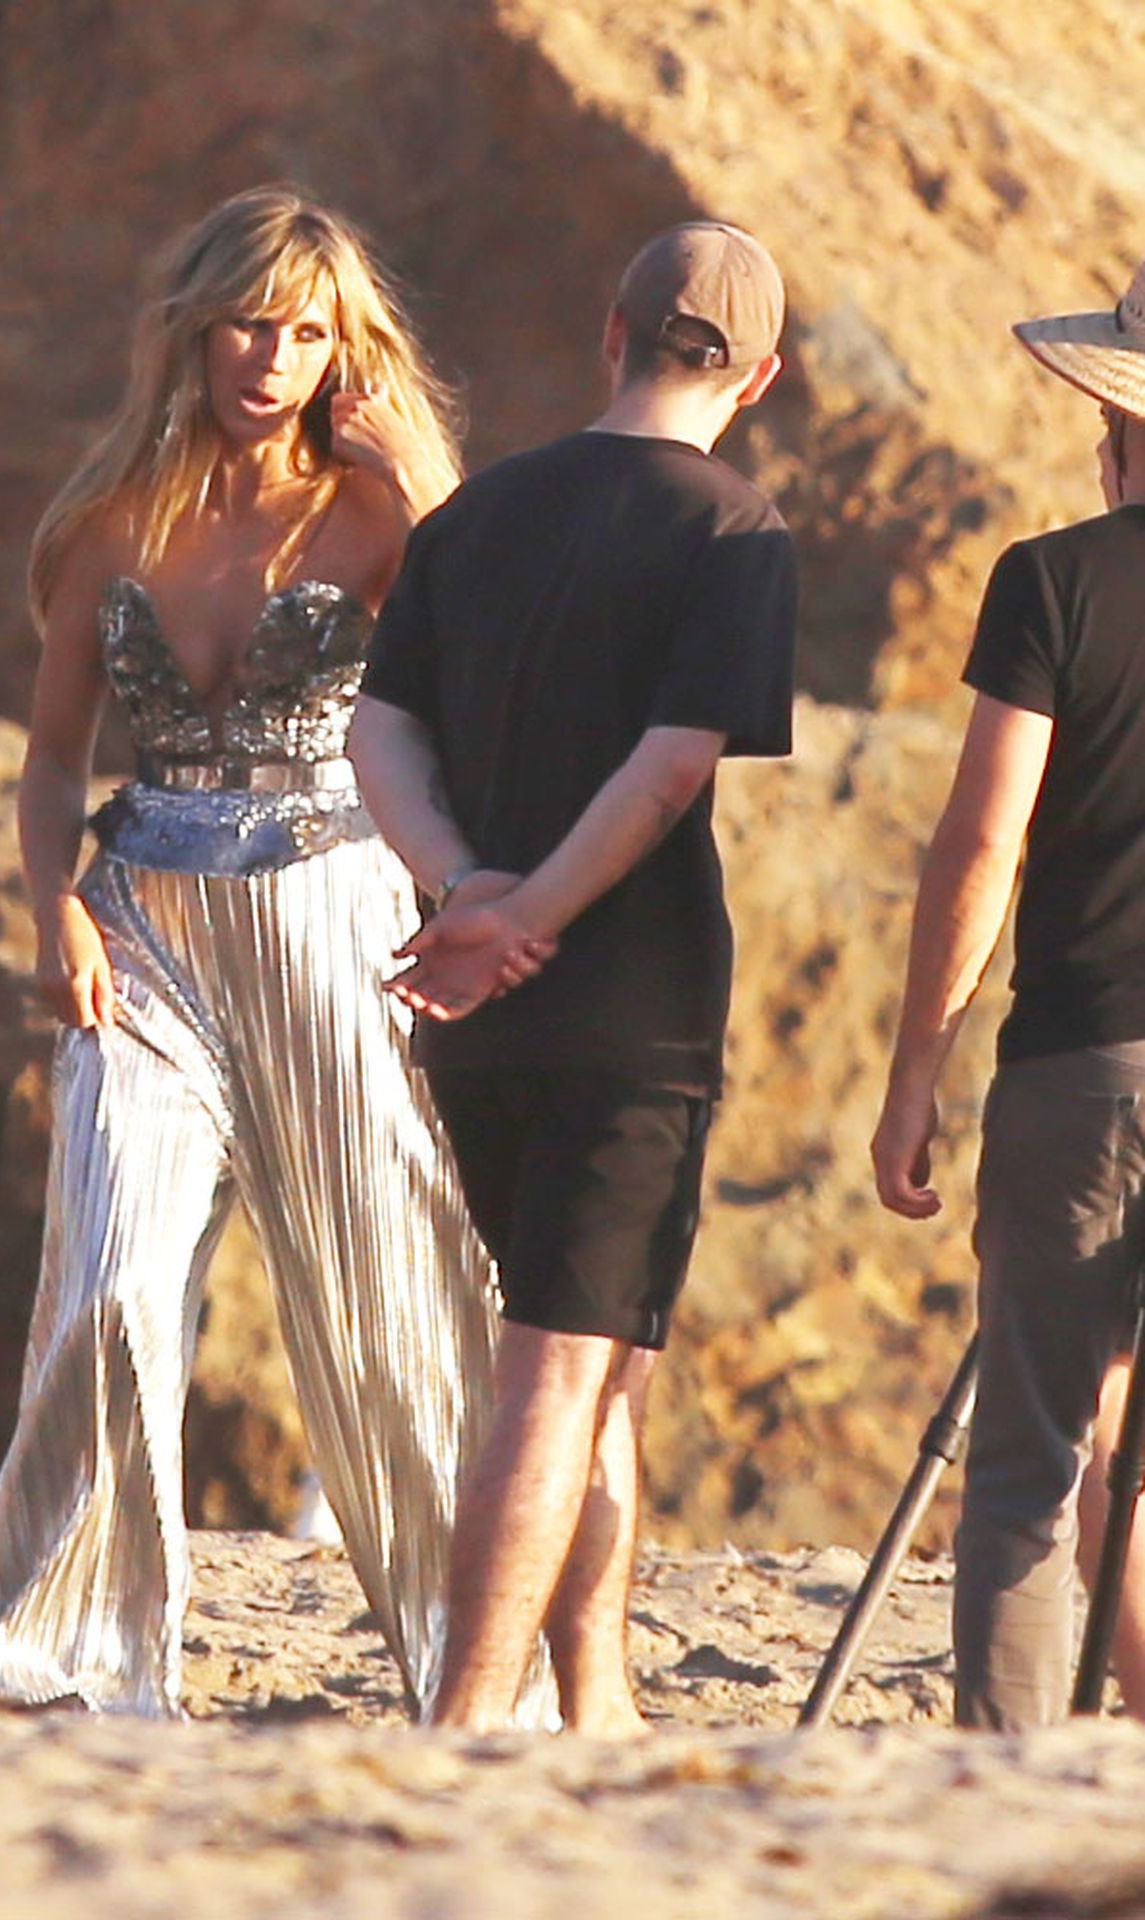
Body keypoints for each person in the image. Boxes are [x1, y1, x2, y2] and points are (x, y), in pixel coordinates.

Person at [0, 185, 550, 1721]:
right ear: (191, 333)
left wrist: (416, 476)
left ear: (345, 351)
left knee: (392, 1306)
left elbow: (500, 656)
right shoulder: (110, 523)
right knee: (108, 1278)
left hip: (339, 928)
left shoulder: (384, 520)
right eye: (243, 326)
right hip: (143, 929)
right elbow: (50, 760)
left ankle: (474, 1676)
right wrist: (51, 904)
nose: (269, 360)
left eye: (303, 333)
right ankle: (57, 1664)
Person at [350, 222, 796, 1733]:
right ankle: (466, 1721)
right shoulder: (733, 527)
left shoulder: (474, 513)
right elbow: (667, 772)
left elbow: (379, 732)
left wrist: (463, 891)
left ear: (610, 332)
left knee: (603, 1356)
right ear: (761, 377)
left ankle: (595, 1698)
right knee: (555, 1365)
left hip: (475, 1006)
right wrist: (524, 910)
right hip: (630, 1006)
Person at [873, 257, 1145, 1729]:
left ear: (1117, 427)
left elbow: (982, 840)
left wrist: (917, 1068)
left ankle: (1006, 1789)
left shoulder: (1053, 581)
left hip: (1082, 1066)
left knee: (1035, 1457)